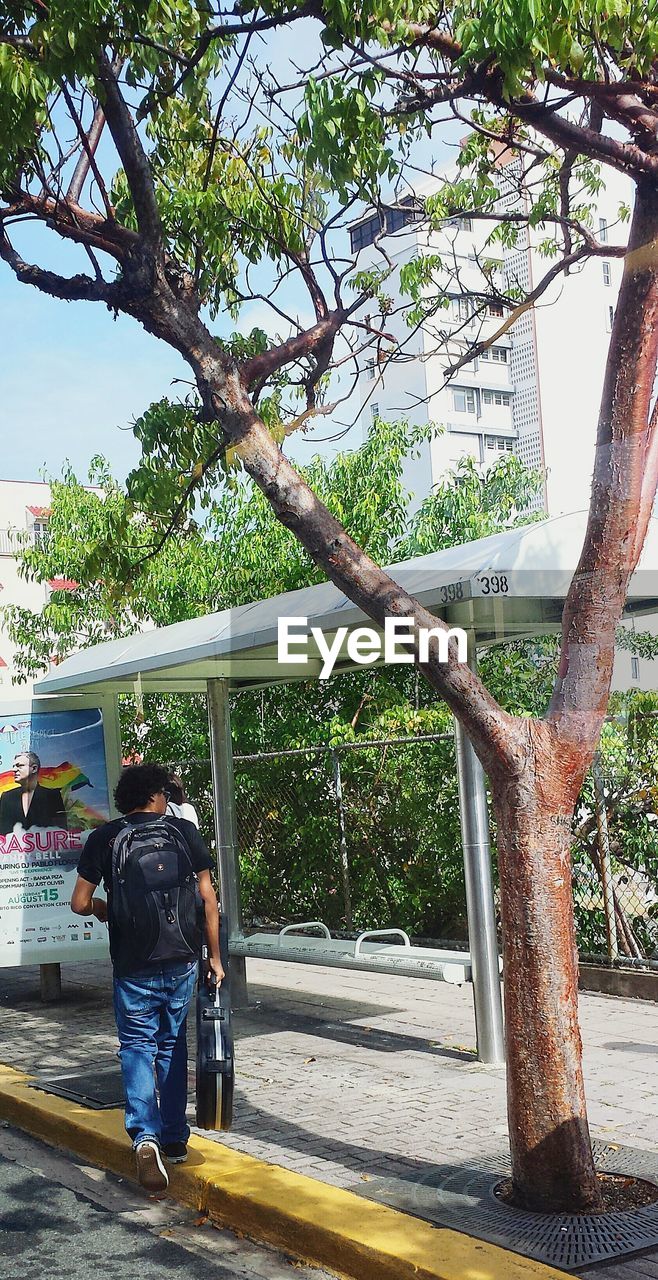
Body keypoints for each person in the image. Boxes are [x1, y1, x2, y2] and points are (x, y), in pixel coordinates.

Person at [70, 762, 224, 1193]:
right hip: (182, 959)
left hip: (132, 964)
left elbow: (79, 902)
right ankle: (175, 1139)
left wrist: (103, 909)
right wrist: (215, 958)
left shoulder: (106, 837)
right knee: (173, 1043)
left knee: (137, 1045)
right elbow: (208, 899)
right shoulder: (183, 833)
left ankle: (145, 1137)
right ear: (156, 795)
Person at [0, 751, 68, 835]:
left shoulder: (52, 796)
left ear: (34, 768)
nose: (14, 770)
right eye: (13, 766)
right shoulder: (7, 797)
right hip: (13, 846)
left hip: (45, 846)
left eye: (19, 766)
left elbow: (61, 832)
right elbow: (2, 832)